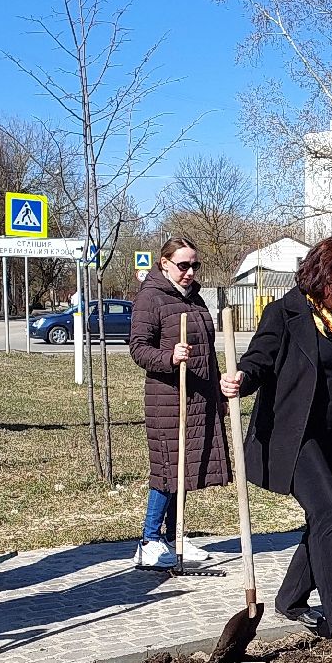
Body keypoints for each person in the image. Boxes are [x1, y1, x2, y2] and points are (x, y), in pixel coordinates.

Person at [220, 237, 332, 641]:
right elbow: (260, 359)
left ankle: (292, 597)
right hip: (296, 438)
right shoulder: (287, 314)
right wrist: (241, 379)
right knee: (329, 513)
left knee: (324, 519)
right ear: (316, 278)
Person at [128, 236, 229, 569]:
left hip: (198, 395)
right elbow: (138, 348)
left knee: (184, 469)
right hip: (167, 398)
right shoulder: (151, 298)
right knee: (167, 469)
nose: (189, 271)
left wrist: (217, 394)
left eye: (193, 265)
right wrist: (169, 356)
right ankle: (149, 541)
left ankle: (175, 534)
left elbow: (208, 353)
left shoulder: (195, 299)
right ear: (164, 263)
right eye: (183, 265)